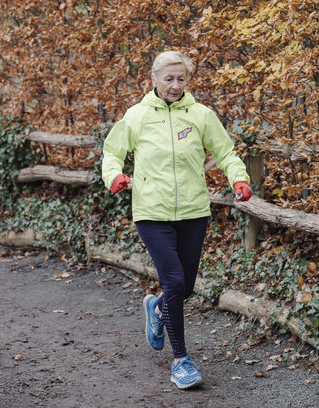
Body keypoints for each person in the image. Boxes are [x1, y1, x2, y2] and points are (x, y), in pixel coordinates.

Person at [101, 50, 253, 389]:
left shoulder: (200, 115)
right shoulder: (137, 116)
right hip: (151, 213)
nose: (174, 85)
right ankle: (181, 360)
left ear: (188, 80)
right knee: (174, 282)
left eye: (181, 78)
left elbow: (226, 152)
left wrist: (238, 179)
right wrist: (114, 175)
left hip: (193, 211)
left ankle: (157, 309)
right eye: (168, 78)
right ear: (153, 79)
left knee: (184, 287)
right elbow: (113, 152)